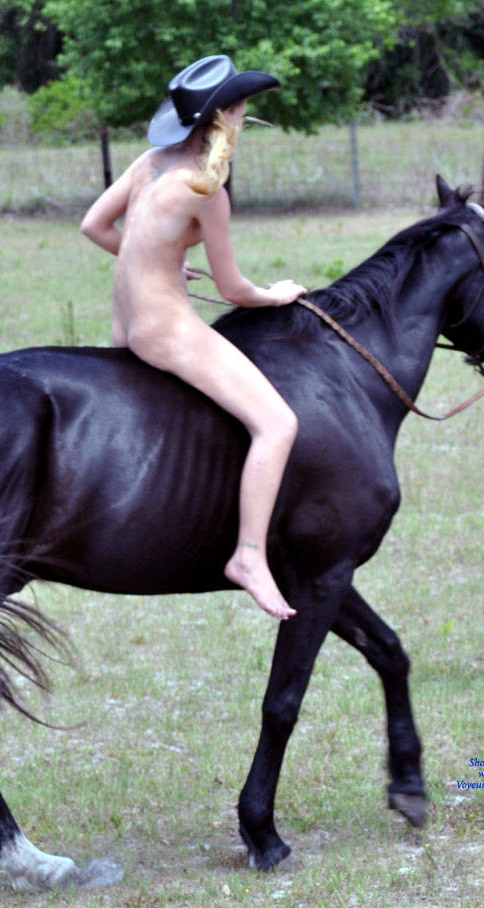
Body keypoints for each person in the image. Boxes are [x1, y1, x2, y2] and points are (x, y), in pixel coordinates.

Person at [80, 55, 305, 620]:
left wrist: (161, 260)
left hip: (126, 325)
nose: (246, 116)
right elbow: (233, 290)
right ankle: (249, 556)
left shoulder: (148, 164)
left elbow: (94, 226)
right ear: (225, 117)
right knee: (278, 424)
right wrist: (276, 293)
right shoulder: (206, 189)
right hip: (166, 332)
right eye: (242, 108)